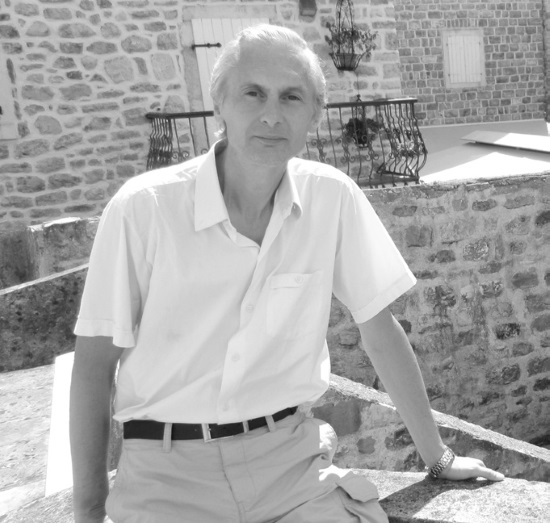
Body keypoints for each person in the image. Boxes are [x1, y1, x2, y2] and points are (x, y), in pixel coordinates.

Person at [70, 24, 504, 523]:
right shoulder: (143, 209)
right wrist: (89, 513)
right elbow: (94, 367)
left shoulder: (331, 197)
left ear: (314, 114)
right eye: (253, 93)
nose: (272, 115)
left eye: (292, 97)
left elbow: (380, 331)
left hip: (291, 467)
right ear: (220, 103)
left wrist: (438, 458)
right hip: (166, 477)